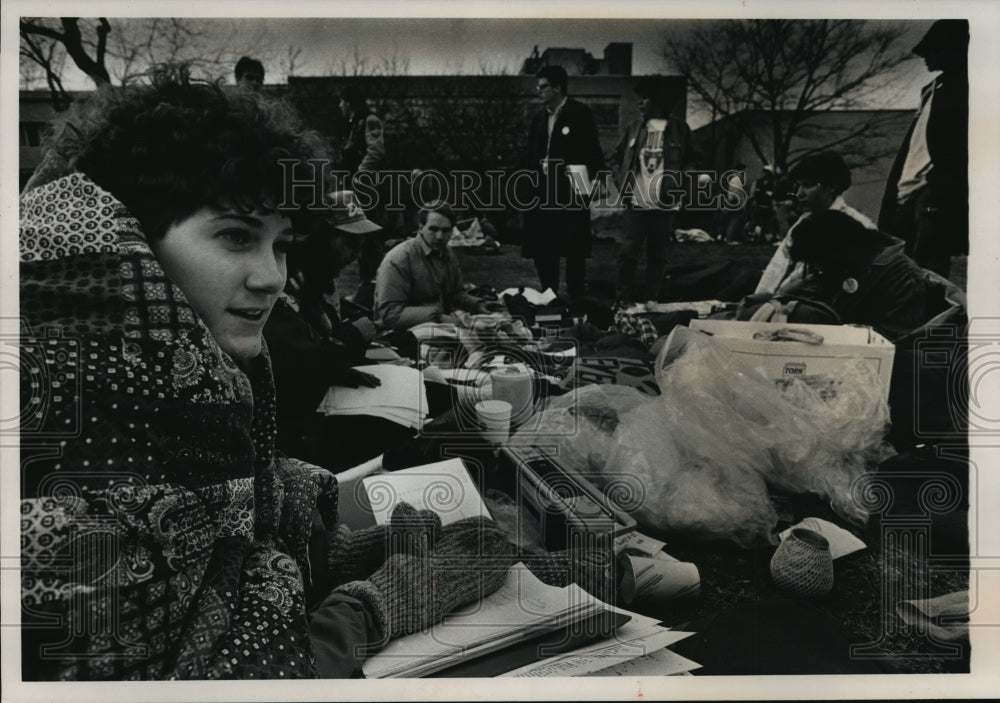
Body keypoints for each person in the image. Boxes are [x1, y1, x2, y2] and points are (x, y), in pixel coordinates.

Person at [18, 66, 514, 680]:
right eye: (235, 235)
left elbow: (226, 533)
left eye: (280, 243)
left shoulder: (176, 388)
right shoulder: (57, 442)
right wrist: (381, 603)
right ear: (131, 241)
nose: (271, 277)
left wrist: (332, 546)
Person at [878, 19, 969, 279]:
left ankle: (932, 316)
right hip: (910, 188)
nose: (925, 57)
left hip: (931, 190)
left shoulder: (962, 87)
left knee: (928, 265)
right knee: (902, 263)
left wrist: (938, 181)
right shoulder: (933, 89)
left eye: (932, 50)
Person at [523, 65, 605, 306]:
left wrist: (597, 181)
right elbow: (531, 155)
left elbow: (592, 150)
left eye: (544, 86)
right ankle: (549, 294)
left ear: (558, 87)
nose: (538, 91)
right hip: (543, 189)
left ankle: (576, 294)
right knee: (542, 243)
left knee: (574, 244)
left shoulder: (580, 113)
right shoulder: (538, 119)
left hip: (570, 187)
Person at [611, 76, 692, 302]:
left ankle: (652, 298)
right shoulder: (633, 128)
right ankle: (622, 299)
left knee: (658, 255)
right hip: (636, 203)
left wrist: (681, 181)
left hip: (664, 203)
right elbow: (615, 158)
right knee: (628, 253)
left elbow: (692, 160)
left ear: (659, 101)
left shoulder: (679, 130)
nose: (640, 103)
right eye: (639, 98)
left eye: (645, 98)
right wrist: (621, 182)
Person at [753, 151, 876, 297]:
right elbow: (776, 269)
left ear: (831, 186)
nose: (799, 193)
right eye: (798, 186)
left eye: (807, 185)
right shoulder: (804, 221)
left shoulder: (859, 228)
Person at [373, 200, 497, 330]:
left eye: (446, 230)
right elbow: (390, 314)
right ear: (421, 228)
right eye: (433, 229)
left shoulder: (447, 253)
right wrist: (438, 318)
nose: (439, 236)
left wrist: (477, 304)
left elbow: (454, 293)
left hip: (436, 325)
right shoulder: (399, 259)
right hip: (399, 334)